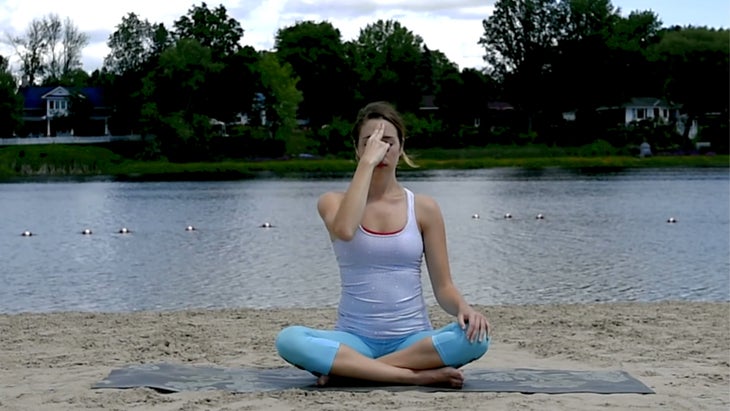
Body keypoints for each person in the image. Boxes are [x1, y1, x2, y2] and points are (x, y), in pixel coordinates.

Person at [275, 101, 490, 388]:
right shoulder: (332, 202)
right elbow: (345, 229)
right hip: (354, 340)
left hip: (413, 341)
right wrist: (367, 164)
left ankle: (352, 372)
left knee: (477, 337)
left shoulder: (424, 208)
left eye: (388, 141)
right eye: (370, 142)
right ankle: (413, 376)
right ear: (357, 149)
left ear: (401, 147)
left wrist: (464, 307)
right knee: (289, 340)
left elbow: (444, 286)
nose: (380, 149)